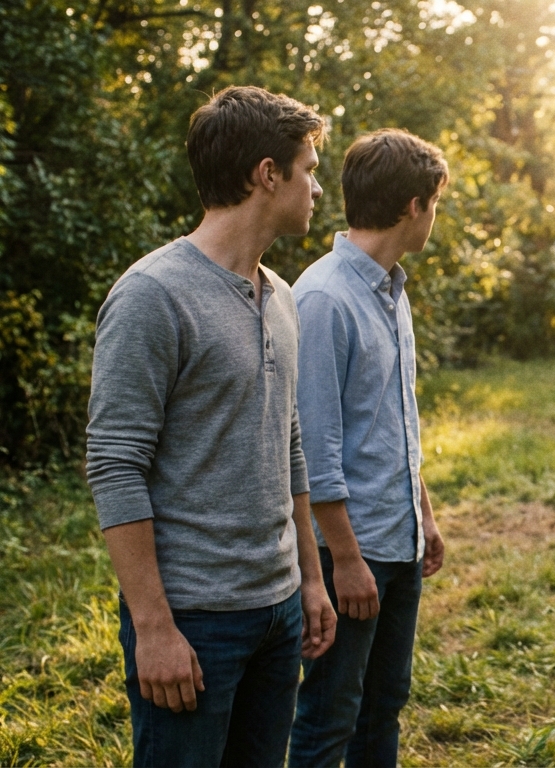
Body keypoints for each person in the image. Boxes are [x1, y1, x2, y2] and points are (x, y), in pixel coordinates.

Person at [85, 85, 338, 767]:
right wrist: (154, 629)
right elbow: (114, 464)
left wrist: (310, 581)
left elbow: (290, 446)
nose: (316, 186)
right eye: (308, 168)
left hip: (279, 610)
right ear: (267, 174)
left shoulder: (282, 296)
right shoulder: (152, 296)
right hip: (193, 621)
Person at [288, 128, 448, 767]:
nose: (435, 216)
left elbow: (393, 421)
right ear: (413, 205)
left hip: (398, 540)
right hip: (349, 553)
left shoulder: (392, 289)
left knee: (385, 703)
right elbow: (313, 448)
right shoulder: (325, 298)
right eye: (435, 203)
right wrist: (348, 561)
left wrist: (425, 517)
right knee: (331, 716)